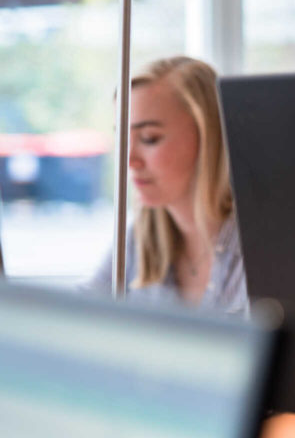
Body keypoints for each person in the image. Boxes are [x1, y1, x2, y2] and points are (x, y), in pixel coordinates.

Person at [84, 56, 248, 315]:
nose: (129, 160)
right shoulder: (140, 237)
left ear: (209, 138)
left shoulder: (259, 247)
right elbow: (83, 316)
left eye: (149, 138)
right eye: (123, 138)